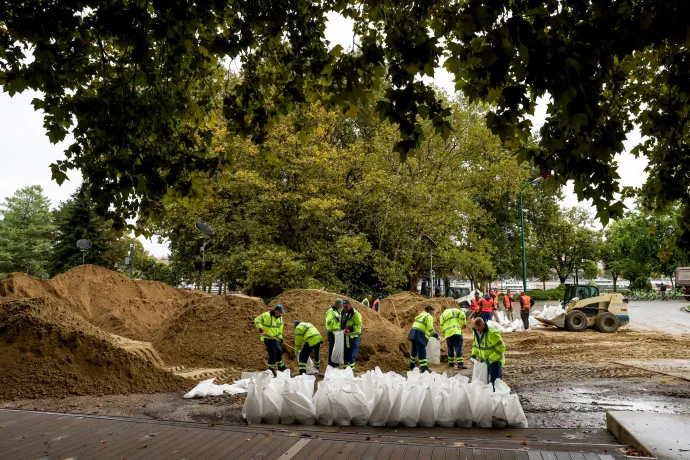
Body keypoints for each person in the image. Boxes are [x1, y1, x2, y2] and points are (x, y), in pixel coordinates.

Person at [470, 317, 506, 390]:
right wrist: (474, 354)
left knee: (495, 382)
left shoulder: (492, 333)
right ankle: (487, 397)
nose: (478, 330)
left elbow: (501, 348)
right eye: (476, 328)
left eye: (479, 328)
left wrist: (490, 359)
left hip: (494, 361)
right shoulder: (475, 332)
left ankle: (496, 397)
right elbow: (475, 345)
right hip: (484, 360)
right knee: (483, 381)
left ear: (483, 324)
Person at [254, 305, 287, 375]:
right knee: (272, 352)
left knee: (278, 350)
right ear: (276, 310)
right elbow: (257, 319)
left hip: (275, 337)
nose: (280, 314)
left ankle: (281, 366)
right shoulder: (266, 315)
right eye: (280, 312)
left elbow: (280, 329)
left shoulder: (280, 318)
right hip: (268, 337)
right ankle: (271, 369)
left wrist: (280, 337)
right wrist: (260, 327)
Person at [408, 305, 439, 372]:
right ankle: (424, 368)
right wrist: (436, 336)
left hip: (413, 333)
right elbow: (430, 328)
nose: (433, 312)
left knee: (414, 350)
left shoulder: (421, 315)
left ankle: (411, 365)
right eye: (432, 310)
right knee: (421, 351)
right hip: (419, 334)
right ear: (429, 310)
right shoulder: (429, 316)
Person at [340, 300, 363, 371]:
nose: (345, 308)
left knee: (352, 356)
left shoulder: (356, 314)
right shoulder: (343, 313)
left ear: (350, 305)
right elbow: (343, 323)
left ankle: (351, 372)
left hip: (354, 338)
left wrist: (350, 329)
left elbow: (359, 326)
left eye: (346, 307)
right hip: (346, 337)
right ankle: (345, 371)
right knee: (345, 355)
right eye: (343, 307)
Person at [325, 298, 343, 367]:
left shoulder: (338, 311)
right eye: (340, 305)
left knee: (337, 350)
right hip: (332, 333)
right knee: (332, 350)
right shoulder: (330, 311)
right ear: (336, 304)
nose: (341, 306)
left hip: (337, 333)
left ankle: (336, 366)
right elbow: (329, 323)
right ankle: (331, 366)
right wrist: (336, 319)